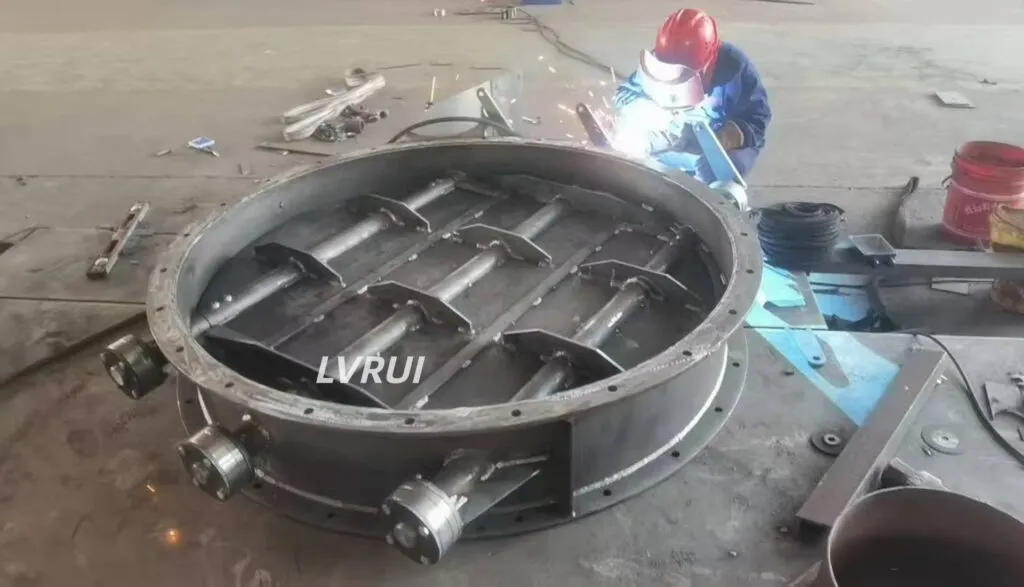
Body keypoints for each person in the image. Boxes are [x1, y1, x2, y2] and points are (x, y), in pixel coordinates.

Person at [612, 8, 771, 183]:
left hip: (721, 144)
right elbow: (625, 94)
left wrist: (719, 141)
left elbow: (757, 119)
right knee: (634, 154)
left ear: (709, 63)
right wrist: (646, 110)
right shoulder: (661, 62)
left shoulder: (734, 67)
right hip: (673, 138)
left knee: (712, 171)